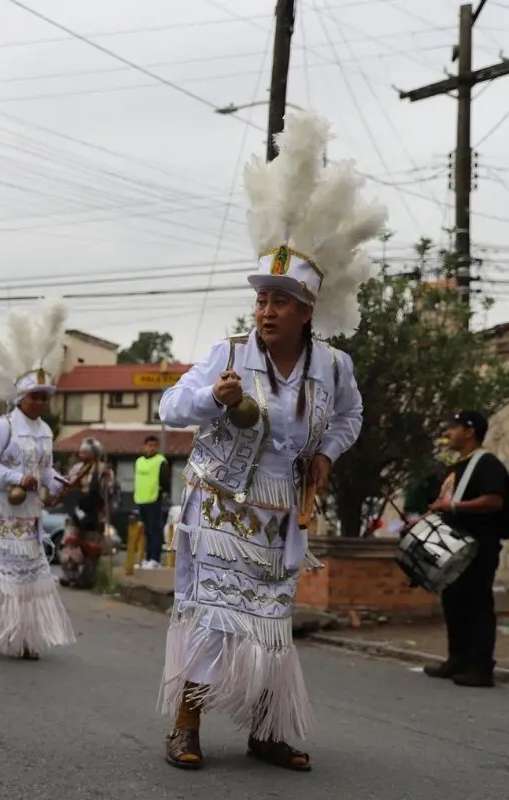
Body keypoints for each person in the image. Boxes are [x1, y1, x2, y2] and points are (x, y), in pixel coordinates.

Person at [158, 110, 384, 772]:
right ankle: (185, 726)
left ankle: (267, 729)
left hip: (282, 514)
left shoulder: (334, 369)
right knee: (214, 617)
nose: (266, 309)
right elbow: (173, 407)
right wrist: (213, 399)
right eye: (262, 297)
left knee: (271, 628)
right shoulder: (227, 353)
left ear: (308, 311)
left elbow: (350, 417)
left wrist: (325, 454)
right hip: (222, 506)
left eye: (281, 300)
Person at [0, 297, 78, 660]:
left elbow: (45, 469)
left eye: (44, 397)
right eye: (34, 396)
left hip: (28, 514)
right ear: (21, 396)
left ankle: (21, 636)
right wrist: (17, 476)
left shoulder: (46, 431)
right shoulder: (2, 426)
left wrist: (57, 482)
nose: (39, 402)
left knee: (30, 577)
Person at [423, 410, 507, 688]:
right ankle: (457, 660)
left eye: (454, 427)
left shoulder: (487, 463)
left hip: (478, 547)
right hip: (454, 547)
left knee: (477, 604)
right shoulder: (458, 466)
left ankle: (481, 668)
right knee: (454, 601)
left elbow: (495, 500)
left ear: (469, 431)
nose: (448, 432)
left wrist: (455, 507)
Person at [58, 437, 115, 590]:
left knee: (92, 549)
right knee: (70, 543)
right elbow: (68, 485)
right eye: (81, 451)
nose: (82, 454)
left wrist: (107, 487)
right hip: (76, 512)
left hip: (95, 514)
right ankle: (70, 575)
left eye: (86, 452)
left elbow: (109, 492)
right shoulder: (76, 469)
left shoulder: (104, 469)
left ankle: (86, 579)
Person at [135, 435, 170, 569]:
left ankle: (155, 559)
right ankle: (148, 558)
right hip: (141, 499)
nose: (152, 448)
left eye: (155, 445)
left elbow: (165, 481)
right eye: (149, 445)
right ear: (144, 446)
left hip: (154, 500)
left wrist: (162, 494)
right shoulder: (139, 461)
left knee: (155, 530)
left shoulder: (161, 461)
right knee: (146, 531)